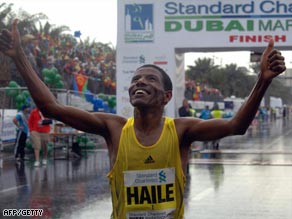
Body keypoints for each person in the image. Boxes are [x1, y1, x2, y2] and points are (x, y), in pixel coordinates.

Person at [0, 20, 286, 219]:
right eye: (136, 79)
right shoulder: (113, 128)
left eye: (150, 79)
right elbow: (51, 107)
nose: (140, 81)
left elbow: (236, 125)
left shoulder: (182, 130)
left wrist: (262, 81)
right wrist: (20, 57)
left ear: (166, 96)